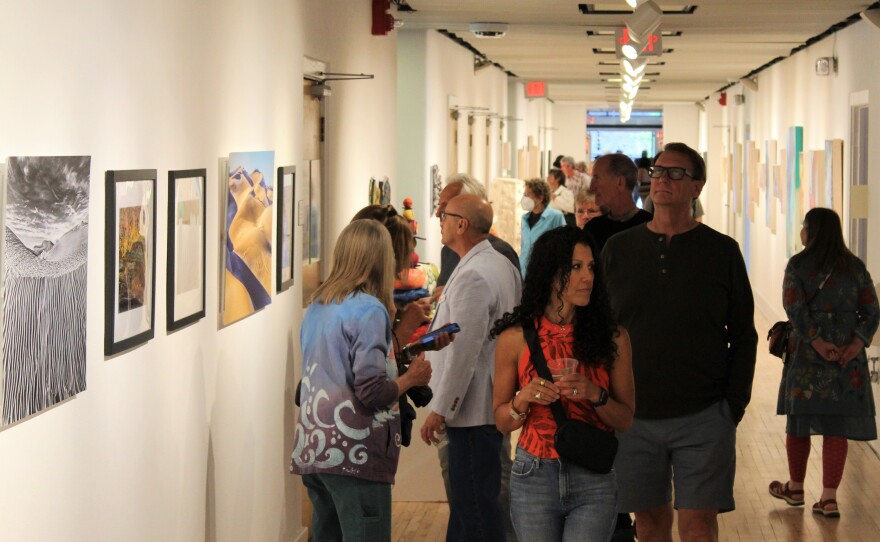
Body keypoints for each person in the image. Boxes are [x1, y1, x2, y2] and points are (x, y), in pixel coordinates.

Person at [602, 142, 758, 542]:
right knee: (650, 526)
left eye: (675, 173)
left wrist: (732, 406)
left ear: (697, 187)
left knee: (698, 527)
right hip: (635, 416)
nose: (662, 180)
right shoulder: (619, 249)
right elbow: (600, 327)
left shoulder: (722, 252)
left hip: (704, 415)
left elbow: (744, 334)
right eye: (657, 172)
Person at [290, 219, 433, 541]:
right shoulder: (369, 311)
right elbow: (371, 391)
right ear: (381, 259)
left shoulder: (318, 306)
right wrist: (412, 378)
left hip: (315, 447)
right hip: (354, 452)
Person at [492, 226, 635, 542]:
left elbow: (625, 419)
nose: (588, 277)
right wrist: (523, 400)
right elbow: (501, 421)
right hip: (533, 475)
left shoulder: (613, 338)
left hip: (593, 476)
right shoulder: (515, 338)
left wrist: (595, 394)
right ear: (551, 272)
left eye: (591, 267)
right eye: (576, 267)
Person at [420, 194, 522, 542]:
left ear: (461, 225)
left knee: (476, 511)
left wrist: (440, 410)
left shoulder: (475, 275)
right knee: (471, 509)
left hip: (472, 413)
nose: (439, 219)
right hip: (485, 408)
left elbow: (463, 350)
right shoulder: (497, 264)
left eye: (445, 215)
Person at [769, 207, 879, 518]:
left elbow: (794, 307)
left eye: (804, 226)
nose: (801, 232)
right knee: (836, 427)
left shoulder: (799, 266)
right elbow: (872, 311)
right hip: (848, 362)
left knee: (799, 423)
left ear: (812, 231)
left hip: (807, 358)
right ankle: (829, 498)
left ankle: (795, 486)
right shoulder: (855, 267)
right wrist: (853, 345)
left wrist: (817, 342)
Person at [434, 174, 520, 301]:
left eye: (446, 207)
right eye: (439, 205)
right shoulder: (447, 251)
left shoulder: (500, 253)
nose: (437, 214)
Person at [585, 153, 652, 254]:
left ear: (620, 182)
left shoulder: (650, 227)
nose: (591, 187)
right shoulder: (593, 228)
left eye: (597, 178)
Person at [520, 179, 566, 276]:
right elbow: (524, 247)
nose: (524, 198)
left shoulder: (555, 217)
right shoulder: (525, 219)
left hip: (544, 273)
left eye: (527, 195)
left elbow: (563, 247)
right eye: (524, 195)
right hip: (523, 272)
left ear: (540, 198)